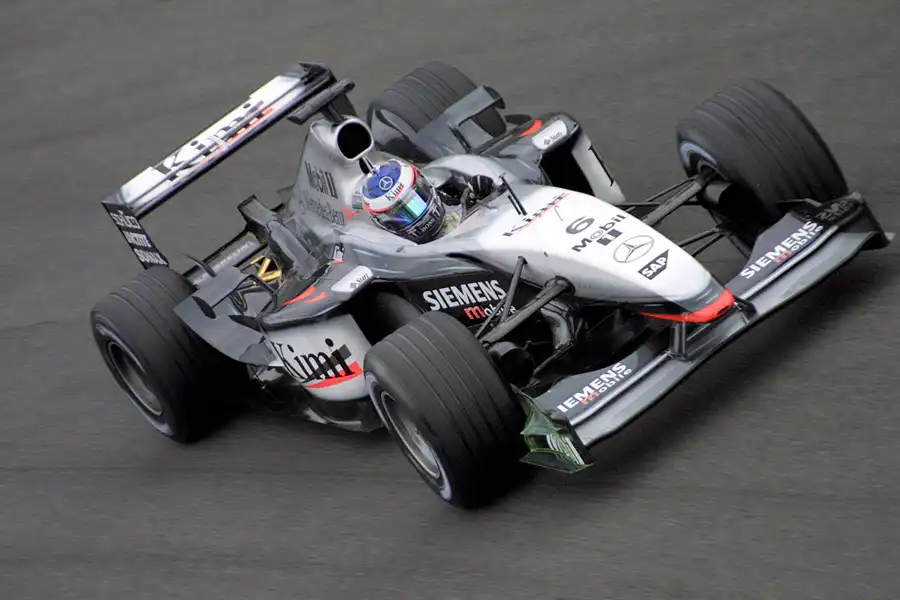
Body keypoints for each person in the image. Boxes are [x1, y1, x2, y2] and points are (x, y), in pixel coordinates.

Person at [358, 158, 497, 244]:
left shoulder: (465, 203)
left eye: (417, 201)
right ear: (387, 225)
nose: (416, 214)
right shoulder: (403, 254)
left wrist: (485, 192)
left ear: (426, 186)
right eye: (402, 215)